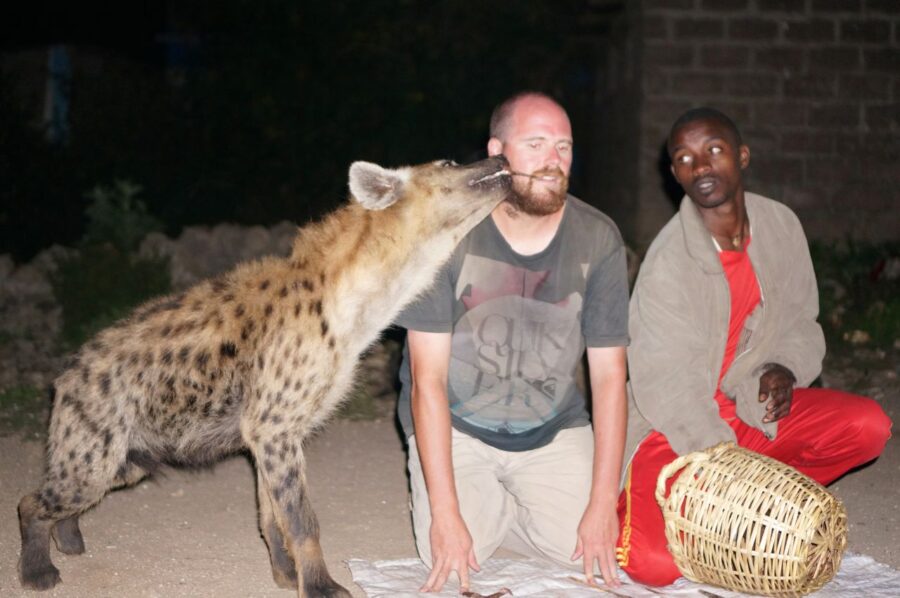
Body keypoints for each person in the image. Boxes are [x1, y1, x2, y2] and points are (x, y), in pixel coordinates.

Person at [616, 107, 893, 585]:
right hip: (674, 428)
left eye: (714, 150)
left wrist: (783, 366)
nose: (700, 166)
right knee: (651, 565)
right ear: (674, 174)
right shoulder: (669, 262)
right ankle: (657, 504)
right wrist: (729, 472)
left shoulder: (780, 225)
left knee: (867, 426)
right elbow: (668, 387)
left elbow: (801, 322)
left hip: (749, 407)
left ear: (742, 156)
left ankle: (755, 506)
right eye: (684, 158)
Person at [394, 91, 630, 592]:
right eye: (536, 144)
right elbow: (426, 381)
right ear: (498, 151)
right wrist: (446, 512)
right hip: (458, 426)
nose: (553, 161)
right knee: (457, 551)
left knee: (593, 546)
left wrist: (603, 501)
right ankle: (480, 506)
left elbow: (609, 377)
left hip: (552, 424)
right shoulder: (447, 231)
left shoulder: (598, 238)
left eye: (563, 147)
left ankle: (515, 509)